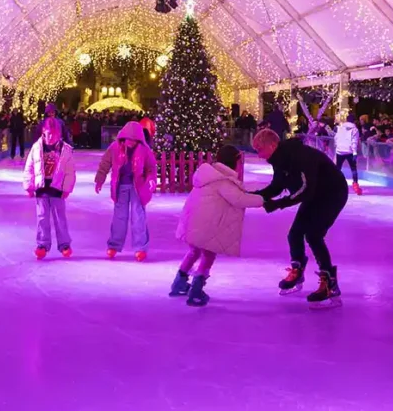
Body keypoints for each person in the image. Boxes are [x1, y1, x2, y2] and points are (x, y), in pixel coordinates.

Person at [251, 128, 348, 308]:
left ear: (272, 145)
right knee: (294, 234)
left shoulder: (298, 156)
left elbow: (305, 190)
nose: (258, 155)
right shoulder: (278, 159)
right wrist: (252, 196)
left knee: (313, 235)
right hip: (315, 194)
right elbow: (277, 186)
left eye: (259, 149)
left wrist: (278, 204)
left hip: (333, 193)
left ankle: (330, 284)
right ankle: (297, 271)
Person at [171, 145, 264, 306]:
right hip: (206, 226)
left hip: (192, 222)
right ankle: (196, 290)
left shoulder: (209, 175)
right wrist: (264, 200)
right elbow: (239, 200)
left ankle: (179, 281)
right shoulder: (222, 181)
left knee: (194, 251)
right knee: (208, 255)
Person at [94, 121, 157, 261]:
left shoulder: (144, 150)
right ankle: (114, 245)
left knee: (138, 217)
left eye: (133, 140)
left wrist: (151, 179)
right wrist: (100, 179)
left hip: (138, 187)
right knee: (119, 218)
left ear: (138, 139)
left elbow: (151, 167)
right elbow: (105, 163)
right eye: (127, 139)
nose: (130, 142)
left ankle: (140, 247)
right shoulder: (115, 147)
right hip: (120, 186)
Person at [23, 117, 76, 259]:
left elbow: (70, 171)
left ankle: (64, 244)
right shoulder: (36, 147)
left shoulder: (65, 150)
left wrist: (67, 189)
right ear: (43, 132)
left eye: (54, 134)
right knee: (42, 218)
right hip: (41, 189)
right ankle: (42, 244)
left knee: (60, 218)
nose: (51, 137)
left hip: (57, 188)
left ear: (59, 134)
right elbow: (29, 167)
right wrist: (29, 186)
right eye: (48, 134)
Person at [334, 114, 362, 195]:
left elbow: (336, 138)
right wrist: (355, 152)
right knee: (353, 169)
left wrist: (338, 146)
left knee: (337, 169)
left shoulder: (340, 128)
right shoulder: (355, 129)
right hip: (349, 151)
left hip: (340, 151)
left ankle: (334, 184)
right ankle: (356, 185)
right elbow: (354, 141)